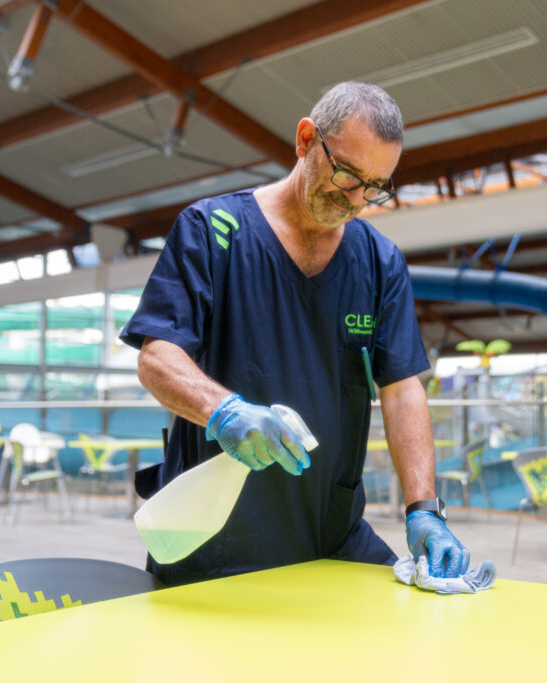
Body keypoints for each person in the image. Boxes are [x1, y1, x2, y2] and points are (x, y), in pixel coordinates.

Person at [120, 82, 470, 586]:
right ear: (306, 139)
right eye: (347, 172)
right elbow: (157, 358)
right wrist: (225, 411)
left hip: (332, 533)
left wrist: (424, 508)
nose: (355, 198)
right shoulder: (212, 230)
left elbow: (401, 388)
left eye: (374, 186)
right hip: (214, 539)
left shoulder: (379, 261)